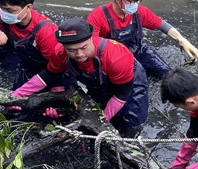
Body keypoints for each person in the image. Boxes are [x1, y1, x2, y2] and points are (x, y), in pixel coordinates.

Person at [12, 17, 149, 136]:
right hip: (98, 82)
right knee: (94, 110)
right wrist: (17, 95)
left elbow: (122, 94)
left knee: (131, 123)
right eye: (71, 50)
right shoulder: (60, 53)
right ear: (63, 46)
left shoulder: (116, 58)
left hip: (129, 82)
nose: (79, 55)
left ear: (91, 39)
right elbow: (48, 75)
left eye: (83, 48)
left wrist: (99, 123)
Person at [87, 0, 198, 79]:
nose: (136, 4)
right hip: (112, 56)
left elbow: (161, 25)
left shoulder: (139, 11)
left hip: (137, 49)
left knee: (168, 76)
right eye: (132, 1)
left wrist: (182, 40)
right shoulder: (97, 16)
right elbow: (91, 46)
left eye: (138, 0)